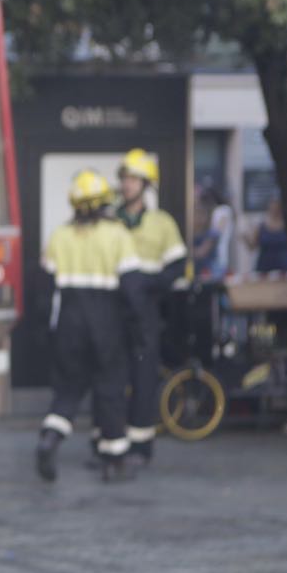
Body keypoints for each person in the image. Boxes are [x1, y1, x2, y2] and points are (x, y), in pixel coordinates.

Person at [36, 170, 144, 483]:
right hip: (106, 325)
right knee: (110, 390)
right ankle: (114, 462)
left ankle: (51, 438)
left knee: (68, 389)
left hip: (69, 324)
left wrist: (45, 331)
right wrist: (138, 329)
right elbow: (133, 289)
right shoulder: (117, 234)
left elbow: (44, 291)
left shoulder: (61, 235)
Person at [114, 149, 186, 463]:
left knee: (144, 376)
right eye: (124, 178)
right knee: (112, 376)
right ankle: (111, 442)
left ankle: (141, 444)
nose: (127, 184)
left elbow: (177, 266)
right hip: (113, 308)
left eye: (133, 179)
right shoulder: (110, 222)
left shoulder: (162, 223)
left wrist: (150, 284)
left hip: (146, 309)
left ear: (146, 185)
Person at [247, 198, 287, 273]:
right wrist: (245, 236)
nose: (274, 211)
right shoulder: (260, 226)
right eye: (272, 208)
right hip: (264, 268)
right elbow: (252, 247)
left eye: (277, 208)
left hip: (286, 269)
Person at [192, 187, 227, 281]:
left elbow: (201, 252)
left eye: (201, 214)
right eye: (195, 213)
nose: (198, 218)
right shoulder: (191, 235)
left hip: (210, 275)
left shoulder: (212, 234)